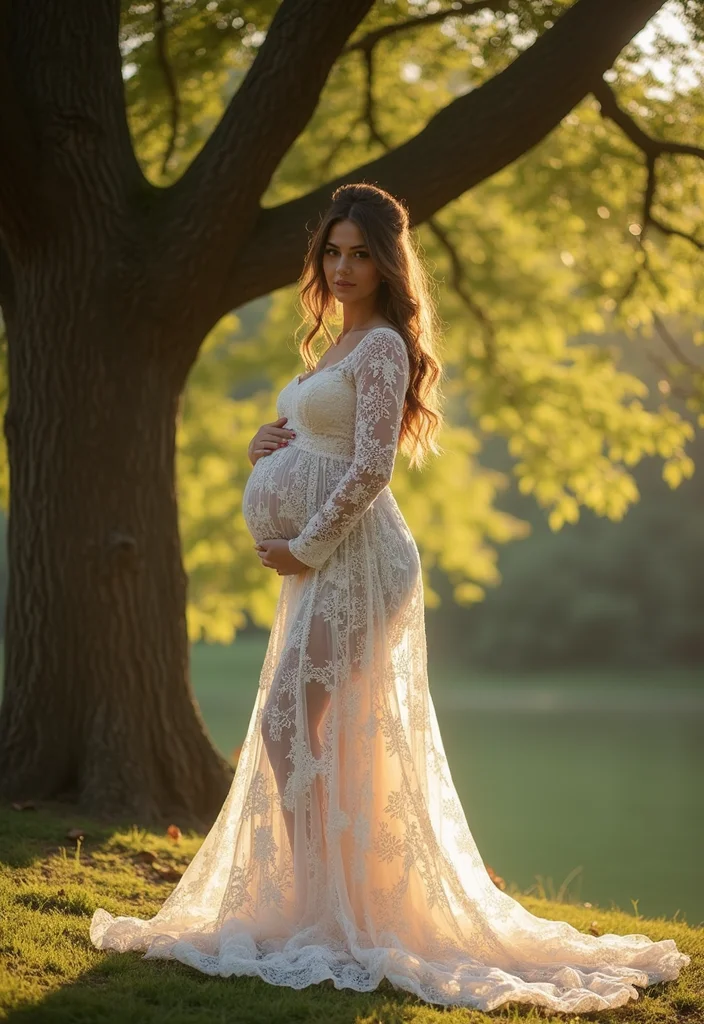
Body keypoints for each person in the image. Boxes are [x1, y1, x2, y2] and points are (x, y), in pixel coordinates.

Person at [90, 183, 690, 1012]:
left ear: (387, 261)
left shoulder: (381, 348)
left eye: (360, 254)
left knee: (287, 721)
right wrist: (271, 443)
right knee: (306, 725)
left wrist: (302, 546)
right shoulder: (334, 345)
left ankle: (334, 910)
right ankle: (326, 899)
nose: (343, 267)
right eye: (332, 252)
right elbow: (324, 442)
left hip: (360, 562)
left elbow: (372, 466)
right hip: (323, 564)